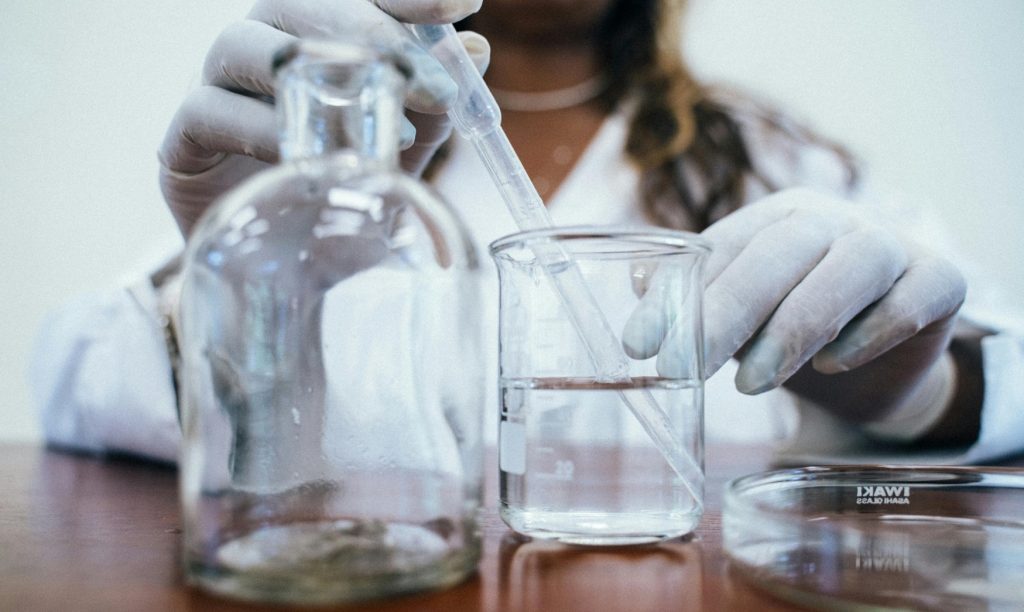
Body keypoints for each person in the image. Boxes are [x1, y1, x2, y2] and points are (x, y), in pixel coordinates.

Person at [32, 0, 1024, 464]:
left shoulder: (768, 153)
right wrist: (239, 289)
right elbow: (76, 381)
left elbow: (1004, 373)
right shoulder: (311, 133)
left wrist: (918, 385)